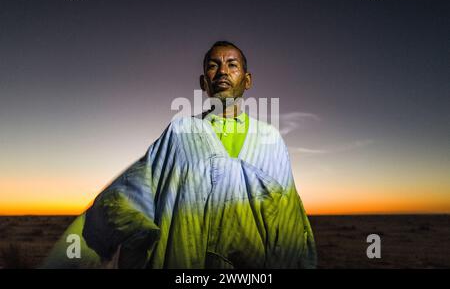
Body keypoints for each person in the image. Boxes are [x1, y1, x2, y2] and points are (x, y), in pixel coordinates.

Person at [42, 41, 317, 269]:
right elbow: (127, 196)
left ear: (247, 81)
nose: (222, 71)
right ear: (203, 83)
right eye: (213, 65)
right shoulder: (180, 132)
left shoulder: (271, 140)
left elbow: (290, 220)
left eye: (232, 65)